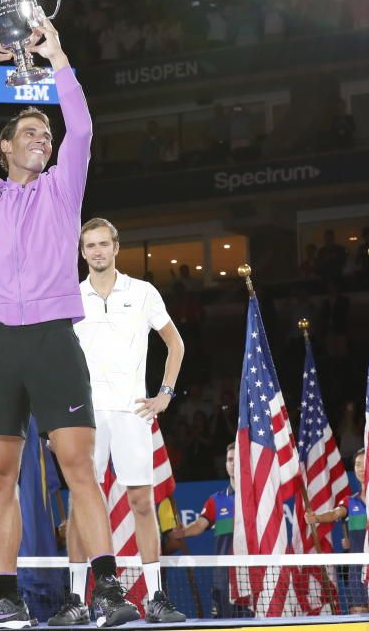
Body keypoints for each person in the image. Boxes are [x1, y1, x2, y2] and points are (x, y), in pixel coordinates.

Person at [0, 14, 137, 629]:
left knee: (79, 469)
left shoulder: (63, 190)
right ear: (1, 146)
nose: (41, 136)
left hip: (55, 339)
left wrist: (58, 59)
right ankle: (4, 595)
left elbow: (81, 124)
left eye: (44, 132)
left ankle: (106, 588)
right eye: (28, 129)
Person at [52, 218, 186, 625]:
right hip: (84, 417)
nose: (96, 251)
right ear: (82, 252)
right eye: (89, 245)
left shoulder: (143, 292)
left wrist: (165, 394)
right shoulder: (70, 298)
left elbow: (175, 343)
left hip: (132, 412)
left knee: (142, 502)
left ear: (115, 248)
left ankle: (156, 597)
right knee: (80, 506)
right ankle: (76, 599)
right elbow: (57, 363)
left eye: (102, 244)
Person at [173, 443, 251, 619]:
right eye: (229, 460)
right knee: (223, 622)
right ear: (225, 464)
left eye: (236, 459)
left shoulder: (256, 498)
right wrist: (183, 531)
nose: (232, 463)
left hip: (249, 573)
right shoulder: (216, 500)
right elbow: (200, 524)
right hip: (223, 577)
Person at [304, 448, 368, 613]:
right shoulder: (349, 502)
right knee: (359, 615)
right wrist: (317, 517)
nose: (361, 468)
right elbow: (334, 513)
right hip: (357, 571)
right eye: (357, 465)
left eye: (365, 464)